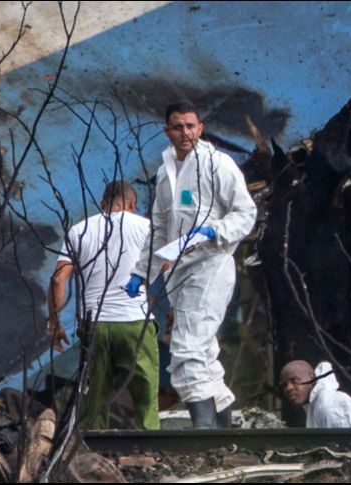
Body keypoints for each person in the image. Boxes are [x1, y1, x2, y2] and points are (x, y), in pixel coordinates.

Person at [124, 101, 257, 429]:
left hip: (211, 263)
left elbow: (246, 212)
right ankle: (223, 429)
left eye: (191, 126)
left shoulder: (217, 165)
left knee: (187, 346)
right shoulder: (166, 171)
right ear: (167, 130)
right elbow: (159, 228)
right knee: (204, 353)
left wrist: (216, 229)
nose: (185, 133)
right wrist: (141, 272)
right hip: (179, 271)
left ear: (200, 128)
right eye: (178, 127)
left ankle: (203, 430)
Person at [48, 181, 160, 430]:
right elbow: (163, 266)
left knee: (95, 393)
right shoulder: (146, 227)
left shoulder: (79, 230)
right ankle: (150, 444)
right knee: (146, 389)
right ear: (133, 205)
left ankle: (92, 447)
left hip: (95, 324)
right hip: (135, 322)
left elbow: (58, 280)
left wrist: (55, 323)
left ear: (102, 205)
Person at [279, 360, 351, 428]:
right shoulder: (314, 406)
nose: (289, 388)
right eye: (284, 385)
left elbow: (347, 449)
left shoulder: (329, 404)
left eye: (294, 380)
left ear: (312, 378)